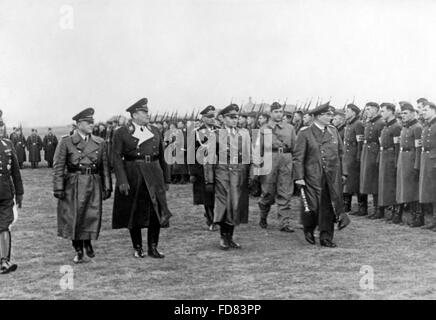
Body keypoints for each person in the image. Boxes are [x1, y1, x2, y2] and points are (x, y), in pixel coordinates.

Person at [112, 98, 172, 258]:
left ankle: (153, 247)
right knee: (135, 211)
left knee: (156, 212)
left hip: (154, 172)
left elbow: (162, 156)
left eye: (147, 111)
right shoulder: (122, 132)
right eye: (144, 112)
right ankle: (138, 247)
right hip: (134, 174)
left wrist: (166, 179)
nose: (147, 114)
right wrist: (122, 180)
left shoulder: (155, 130)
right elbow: (116, 158)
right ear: (134, 114)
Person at [53, 108, 112, 263]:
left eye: (93, 122)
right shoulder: (66, 141)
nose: (92, 125)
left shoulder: (100, 143)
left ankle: (88, 243)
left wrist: (107, 186)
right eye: (88, 122)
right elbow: (58, 165)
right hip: (74, 183)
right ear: (79, 124)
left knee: (91, 214)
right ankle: (78, 247)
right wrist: (58, 187)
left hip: (93, 181)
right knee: (75, 216)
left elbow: (105, 166)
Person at [293, 102, 349, 248]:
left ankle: (326, 236)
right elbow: (298, 157)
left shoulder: (333, 131)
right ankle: (309, 228)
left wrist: (344, 173)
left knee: (329, 206)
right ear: (318, 116)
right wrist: (299, 177)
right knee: (312, 206)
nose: (331, 117)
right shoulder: (305, 133)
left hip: (331, 175)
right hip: (312, 175)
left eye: (331, 114)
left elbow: (341, 153)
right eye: (328, 115)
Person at [204, 104, 251, 250]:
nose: (235, 120)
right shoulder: (216, 135)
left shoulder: (244, 134)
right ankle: (224, 237)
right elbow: (209, 159)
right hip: (222, 174)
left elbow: (249, 155)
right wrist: (209, 180)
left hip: (239, 173)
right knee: (224, 205)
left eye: (236, 117)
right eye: (231, 117)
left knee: (236, 205)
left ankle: (230, 237)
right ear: (223, 119)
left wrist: (252, 175)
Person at [256, 102, 296, 232]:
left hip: (286, 159)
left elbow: (295, 147)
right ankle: (263, 216)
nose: (279, 114)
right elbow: (258, 150)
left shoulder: (290, 128)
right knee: (268, 191)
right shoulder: (264, 129)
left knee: (285, 191)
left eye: (280, 112)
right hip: (269, 159)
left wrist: (294, 162)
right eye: (276, 112)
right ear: (270, 113)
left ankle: (284, 223)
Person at [189, 105, 219, 231]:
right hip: (202, 168)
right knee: (207, 194)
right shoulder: (196, 132)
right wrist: (193, 172)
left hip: (217, 166)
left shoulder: (218, 130)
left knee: (217, 193)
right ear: (203, 118)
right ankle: (211, 220)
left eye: (213, 116)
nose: (212, 119)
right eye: (209, 116)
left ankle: (214, 216)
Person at [0, 124, 23, 274]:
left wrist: (19, 193)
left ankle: (4, 262)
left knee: (4, 225)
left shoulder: (7, 144)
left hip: (5, 192)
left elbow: (15, 171)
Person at [396, 102, 423, 227]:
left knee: (413, 189)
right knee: (405, 188)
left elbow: (418, 148)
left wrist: (417, 164)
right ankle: (410, 214)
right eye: (402, 114)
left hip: (412, 159)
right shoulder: (404, 127)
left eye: (406, 113)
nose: (403, 116)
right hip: (403, 158)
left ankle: (417, 216)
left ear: (413, 113)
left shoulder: (417, 127)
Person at [374, 103, 401, 221]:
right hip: (384, 156)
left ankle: (396, 212)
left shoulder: (396, 127)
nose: (381, 113)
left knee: (392, 185)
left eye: (383, 111)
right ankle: (383, 209)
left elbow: (397, 146)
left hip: (391, 157)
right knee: (384, 184)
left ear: (391, 111)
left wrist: (396, 162)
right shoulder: (385, 127)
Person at [359, 102, 385, 218]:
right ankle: (366, 208)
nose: (367, 111)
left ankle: (378, 209)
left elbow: (382, 143)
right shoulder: (368, 122)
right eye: (366, 109)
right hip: (367, 153)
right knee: (367, 180)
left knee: (375, 182)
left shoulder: (381, 123)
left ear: (376, 110)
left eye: (369, 109)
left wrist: (378, 157)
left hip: (375, 153)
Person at [343, 104, 365, 215]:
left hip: (354, 156)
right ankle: (346, 204)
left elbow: (360, 143)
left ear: (353, 113)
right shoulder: (348, 124)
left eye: (347, 111)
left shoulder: (358, 124)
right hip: (347, 155)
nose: (345, 113)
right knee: (347, 181)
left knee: (356, 182)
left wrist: (358, 157)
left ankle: (362, 206)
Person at [418, 101, 436, 231]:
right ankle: (433, 220)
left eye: (425, 110)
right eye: (422, 110)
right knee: (430, 191)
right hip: (426, 160)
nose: (422, 112)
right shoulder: (426, 125)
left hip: (434, 160)